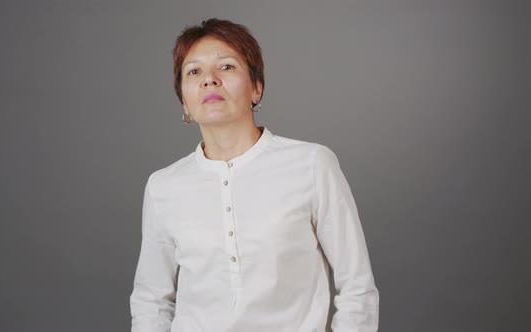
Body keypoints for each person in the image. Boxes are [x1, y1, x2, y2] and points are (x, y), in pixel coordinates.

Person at [130, 18, 379, 332]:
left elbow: (357, 287)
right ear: (185, 102)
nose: (209, 80)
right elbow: (151, 300)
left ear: (256, 88)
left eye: (227, 67)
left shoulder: (312, 164)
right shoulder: (163, 186)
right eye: (194, 72)